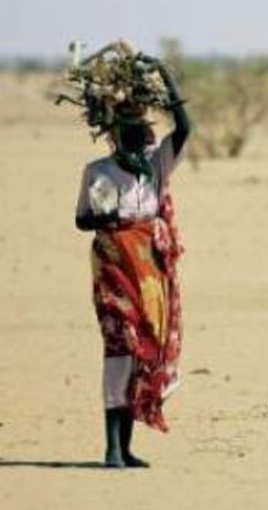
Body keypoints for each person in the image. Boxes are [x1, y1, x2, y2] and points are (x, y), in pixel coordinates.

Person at [74, 57, 190, 468]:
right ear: (114, 134)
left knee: (144, 348)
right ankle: (110, 448)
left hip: (150, 269)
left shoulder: (156, 165)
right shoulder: (98, 171)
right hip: (112, 264)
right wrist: (108, 218)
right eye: (130, 129)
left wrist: (168, 81)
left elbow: (187, 129)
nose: (141, 133)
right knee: (120, 344)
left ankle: (126, 447)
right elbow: (81, 219)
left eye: (143, 127)